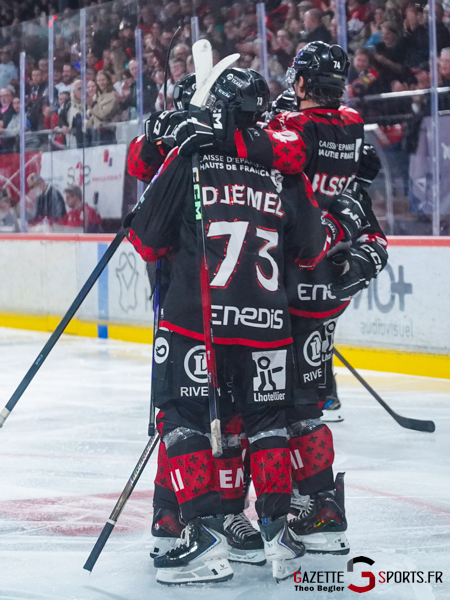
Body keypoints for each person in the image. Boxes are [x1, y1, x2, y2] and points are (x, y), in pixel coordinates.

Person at [128, 67, 358, 585]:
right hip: (269, 323)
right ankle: (279, 533)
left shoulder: (190, 156)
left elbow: (145, 239)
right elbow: (309, 248)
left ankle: (200, 533)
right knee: (269, 423)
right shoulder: (281, 165)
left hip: (197, 319)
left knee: (183, 420)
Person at [185, 41, 387, 555]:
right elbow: (353, 189)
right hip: (327, 284)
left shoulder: (294, 128)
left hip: (285, 280)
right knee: (308, 403)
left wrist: (230, 125)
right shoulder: (352, 124)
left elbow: (283, 152)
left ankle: (253, 509)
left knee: (263, 405)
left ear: (300, 83)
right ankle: (319, 504)